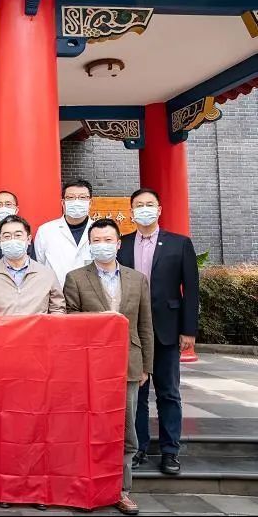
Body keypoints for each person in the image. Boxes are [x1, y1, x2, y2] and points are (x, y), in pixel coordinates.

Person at [64, 218, 153, 516]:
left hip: (128, 364)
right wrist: (100, 321)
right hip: (90, 366)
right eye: (96, 241)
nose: (102, 245)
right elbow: (69, 320)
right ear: (89, 245)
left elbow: (145, 325)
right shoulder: (76, 278)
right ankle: (85, 486)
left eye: (108, 240)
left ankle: (121, 490)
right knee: (89, 427)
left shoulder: (137, 279)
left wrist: (146, 366)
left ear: (118, 244)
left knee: (125, 430)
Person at [118, 188, 198, 476]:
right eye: (139, 205)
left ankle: (170, 451)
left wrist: (188, 330)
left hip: (166, 328)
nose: (144, 209)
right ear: (131, 212)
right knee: (136, 393)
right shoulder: (122, 244)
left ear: (159, 209)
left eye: (149, 204)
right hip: (133, 331)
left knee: (168, 392)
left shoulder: (179, 244)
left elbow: (191, 290)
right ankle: (138, 447)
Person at [0, 215, 65, 316]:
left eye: (18, 235)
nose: (12, 240)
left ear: (29, 239)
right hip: (1, 327)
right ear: (0, 241)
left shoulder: (47, 274)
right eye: (7, 236)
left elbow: (58, 310)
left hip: (37, 327)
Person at [34, 179, 95, 287]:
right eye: (70, 197)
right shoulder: (46, 230)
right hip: (56, 293)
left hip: (91, 293)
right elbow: (39, 264)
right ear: (63, 203)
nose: (76, 202)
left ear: (90, 203)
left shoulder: (100, 231)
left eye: (82, 197)